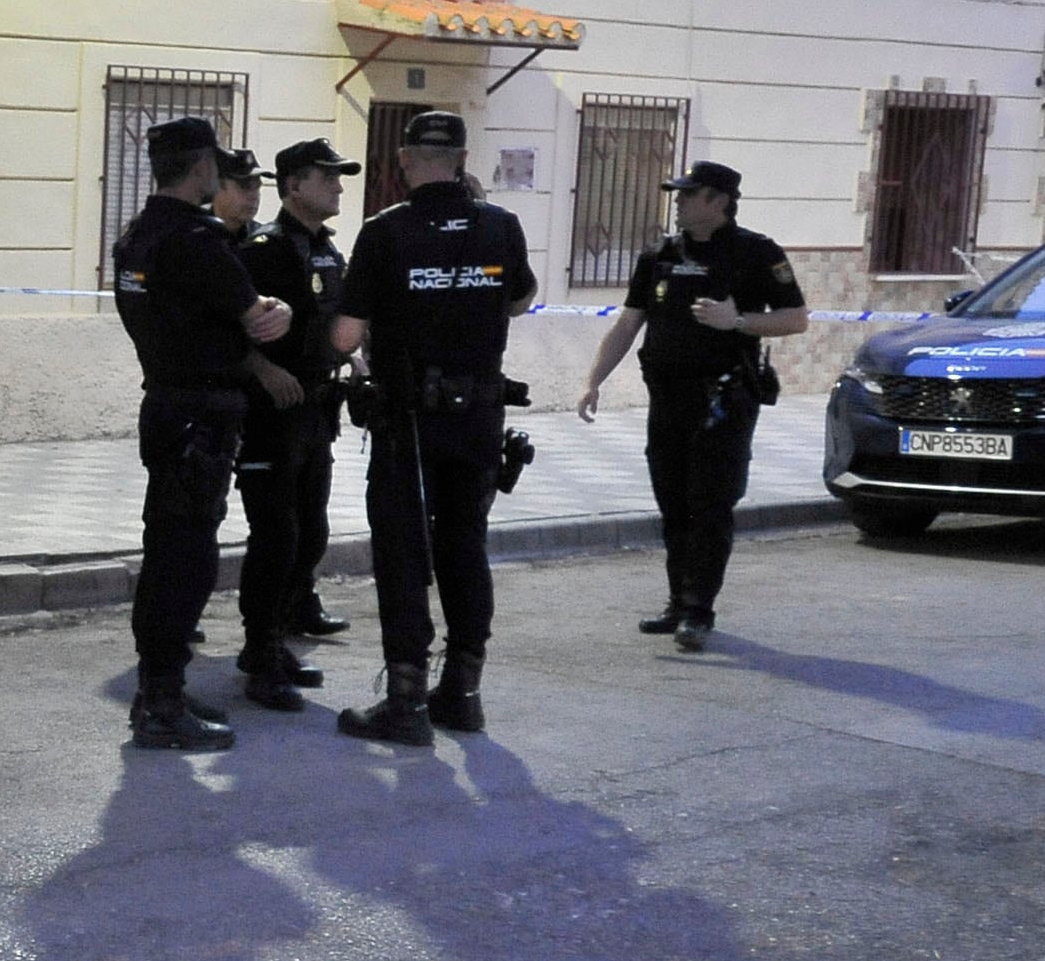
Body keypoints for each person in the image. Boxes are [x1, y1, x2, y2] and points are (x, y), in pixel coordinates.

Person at [324, 109, 536, 745]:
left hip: (408, 420)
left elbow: (345, 334)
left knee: (403, 552)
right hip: (478, 416)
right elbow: (522, 297)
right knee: (465, 546)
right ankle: (463, 694)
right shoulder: (501, 226)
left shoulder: (386, 232)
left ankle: (406, 701)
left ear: (406, 161)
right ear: (464, 160)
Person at [110, 117, 292, 750]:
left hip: (163, 406)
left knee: (165, 551)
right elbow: (258, 320)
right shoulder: (197, 240)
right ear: (199, 170)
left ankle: (158, 691)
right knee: (186, 561)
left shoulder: (136, 238)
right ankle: (161, 703)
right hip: (201, 418)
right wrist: (283, 308)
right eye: (214, 163)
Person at [577, 159, 810, 653]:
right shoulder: (660, 254)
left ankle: (699, 609)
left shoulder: (755, 253)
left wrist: (738, 321)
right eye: (679, 194)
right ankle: (677, 602)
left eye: (689, 194)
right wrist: (594, 380)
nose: (678, 201)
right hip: (668, 397)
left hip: (723, 399)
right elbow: (627, 323)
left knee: (710, 505)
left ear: (719, 201)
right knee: (673, 502)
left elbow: (796, 319)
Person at [217, 151, 319, 713]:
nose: (251, 194)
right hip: (256, 410)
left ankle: (273, 644)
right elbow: (220, 326)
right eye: (240, 184)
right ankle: (259, 651)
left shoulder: (288, 244)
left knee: (303, 530)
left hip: (305, 407)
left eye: (256, 184)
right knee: (273, 533)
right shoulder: (235, 250)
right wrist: (262, 368)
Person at [267, 137, 360, 656]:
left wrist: (356, 363)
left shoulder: (326, 249)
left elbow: (335, 325)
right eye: (327, 177)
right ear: (294, 185)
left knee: (313, 515)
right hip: (279, 405)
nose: (337, 186)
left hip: (321, 401)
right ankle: (269, 627)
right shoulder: (268, 249)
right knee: (279, 523)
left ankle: (301, 600)